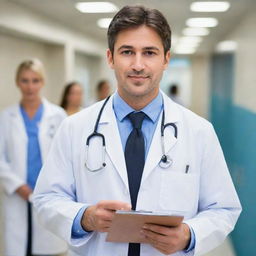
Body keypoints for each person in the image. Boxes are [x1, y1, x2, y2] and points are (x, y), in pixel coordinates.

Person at [33, 5, 241, 256]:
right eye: (127, 52)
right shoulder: (75, 128)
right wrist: (84, 217)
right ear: (110, 58)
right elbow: (46, 199)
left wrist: (189, 235)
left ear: (166, 59)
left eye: (150, 52)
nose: (138, 65)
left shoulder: (199, 131)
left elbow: (224, 209)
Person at [0, 59, 67, 256]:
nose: (30, 87)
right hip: (17, 192)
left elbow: (65, 157)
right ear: (17, 82)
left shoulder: (57, 115)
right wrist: (18, 185)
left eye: (35, 80)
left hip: (49, 191)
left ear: (43, 82)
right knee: (20, 245)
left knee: (48, 247)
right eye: (25, 80)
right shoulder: (6, 117)